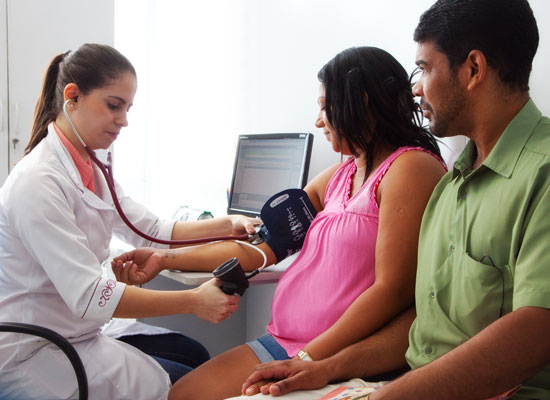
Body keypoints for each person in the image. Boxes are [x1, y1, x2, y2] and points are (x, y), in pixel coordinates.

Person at [231, 0, 550, 399]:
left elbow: (536, 330)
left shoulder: (542, 175)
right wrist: (323, 367)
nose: (415, 87)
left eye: (425, 68)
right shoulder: (454, 184)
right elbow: (425, 323)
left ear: (473, 69)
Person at [112, 46, 447, 400]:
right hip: (283, 341)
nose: (319, 121)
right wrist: (164, 259)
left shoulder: (409, 168)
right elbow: (262, 247)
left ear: (361, 102)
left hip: (334, 353)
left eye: (323, 106)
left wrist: (309, 358)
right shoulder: (343, 172)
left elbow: (392, 291)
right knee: (183, 394)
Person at [0, 43, 258, 400]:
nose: (124, 120)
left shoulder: (91, 166)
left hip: (78, 331)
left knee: (193, 356)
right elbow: (90, 296)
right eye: (114, 105)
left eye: (128, 108)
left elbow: (153, 231)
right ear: (72, 96)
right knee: (183, 387)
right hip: (36, 349)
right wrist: (193, 300)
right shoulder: (37, 182)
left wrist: (227, 223)